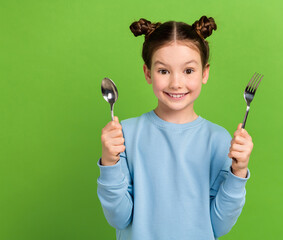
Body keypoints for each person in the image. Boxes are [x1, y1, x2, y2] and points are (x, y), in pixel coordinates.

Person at [97, 16, 254, 240]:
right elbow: (119, 218)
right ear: (148, 73)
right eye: (164, 71)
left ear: (205, 73)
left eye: (188, 71)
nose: (176, 83)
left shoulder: (219, 140)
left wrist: (238, 173)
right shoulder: (124, 135)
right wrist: (109, 163)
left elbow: (218, 226)